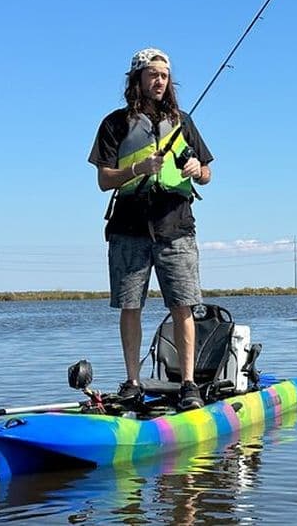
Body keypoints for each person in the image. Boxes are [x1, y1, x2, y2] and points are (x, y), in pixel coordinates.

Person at [88, 47, 213, 411]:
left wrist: (197, 171)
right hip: (129, 228)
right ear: (137, 80)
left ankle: (188, 384)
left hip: (176, 228)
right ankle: (132, 381)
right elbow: (103, 180)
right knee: (130, 306)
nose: (158, 81)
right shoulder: (115, 123)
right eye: (152, 75)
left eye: (163, 76)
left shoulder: (183, 121)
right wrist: (137, 169)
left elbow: (207, 174)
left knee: (183, 306)